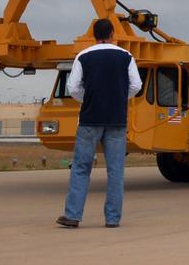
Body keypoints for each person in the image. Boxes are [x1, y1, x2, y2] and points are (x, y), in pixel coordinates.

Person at [57, 18, 142, 228]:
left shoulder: (83, 56)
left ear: (94, 35)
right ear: (113, 34)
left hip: (90, 118)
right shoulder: (126, 56)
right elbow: (136, 85)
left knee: (81, 167)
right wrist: (120, 97)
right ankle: (113, 219)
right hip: (116, 119)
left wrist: (88, 98)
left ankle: (73, 215)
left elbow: (74, 87)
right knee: (115, 170)